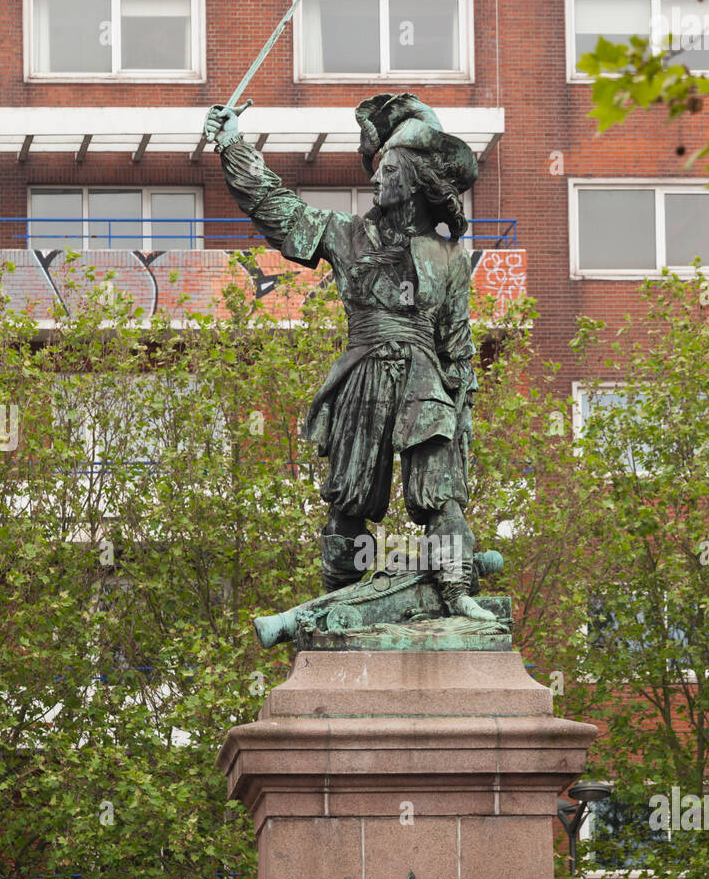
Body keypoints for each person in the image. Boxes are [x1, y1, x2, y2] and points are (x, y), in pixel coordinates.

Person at [204, 91, 494, 621]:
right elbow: (277, 209)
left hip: (425, 382)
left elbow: (457, 343)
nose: (376, 178)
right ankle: (332, 602)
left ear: (412, 179)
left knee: (441, 493)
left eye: (387, 169)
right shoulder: (345, 234)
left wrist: (463, 410)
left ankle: (457, 595)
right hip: (362, 378)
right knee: (347, 503)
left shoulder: (450, 256)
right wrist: (232, 146)